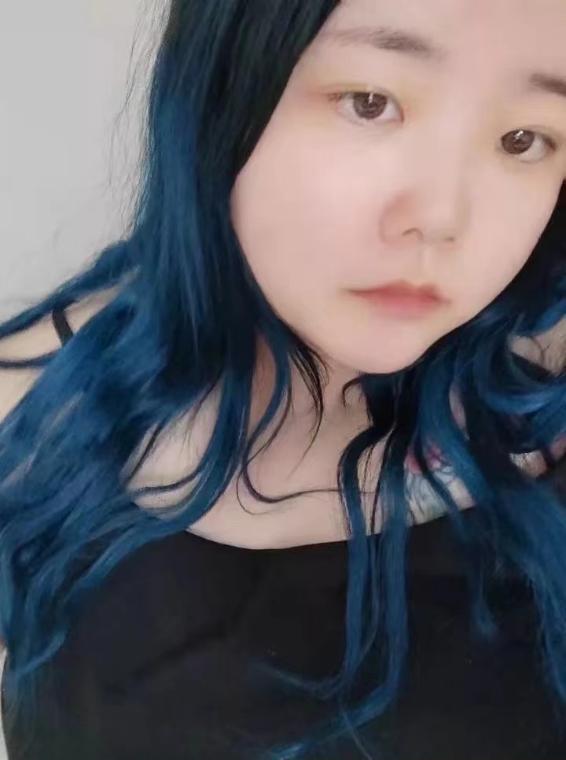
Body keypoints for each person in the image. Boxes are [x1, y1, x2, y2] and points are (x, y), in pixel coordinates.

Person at [1, 0, 566, 758]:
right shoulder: (25, 419)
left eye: (524, 139)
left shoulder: (543, 416)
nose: (441, 217)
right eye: (370, 102)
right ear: (221, 90)